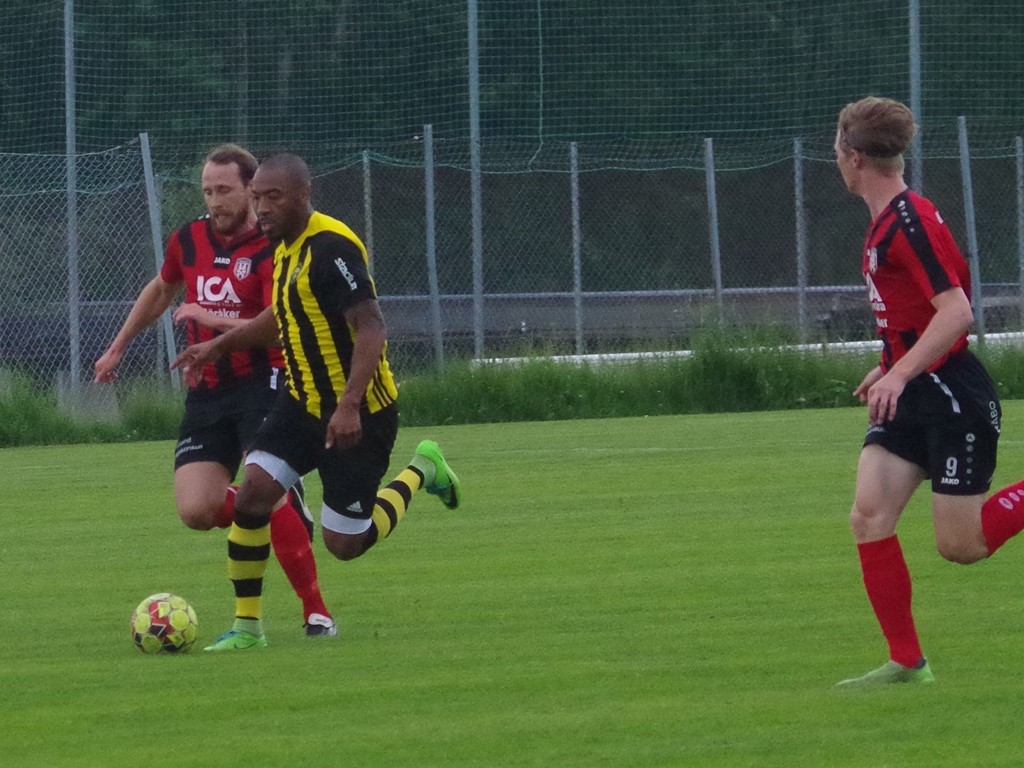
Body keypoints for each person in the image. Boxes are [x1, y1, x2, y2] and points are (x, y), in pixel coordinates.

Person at [171, 152, 462, 651]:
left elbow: (371, 326)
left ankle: (423, 470)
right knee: (255, 495)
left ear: (304, 196)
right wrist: (219, 345)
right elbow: (279, 315)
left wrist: (349, 404)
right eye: (257, 198)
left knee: (345, 544)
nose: (261, 208)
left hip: (358, 411)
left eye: (273, 198)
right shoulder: (281, 245)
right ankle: (247, 628)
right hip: (300, 402)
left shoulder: (332, 248)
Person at [94, 144, 337, 637]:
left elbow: (277, 324)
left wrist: (211, 320)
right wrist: (118, 346)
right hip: (206, 391)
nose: (214, 200)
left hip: (264, 383)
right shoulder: (187, 240)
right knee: (197, 511)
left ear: (251, 190)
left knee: (260, 493)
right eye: (207, 191)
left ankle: (317, 612)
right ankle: (285, 504)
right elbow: (162, 289)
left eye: (223, 190)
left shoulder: (274, 247)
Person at [833, 96, 1024, 687]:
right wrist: (886, 364)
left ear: (856, 157)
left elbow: (957, 313)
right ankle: (907, 662)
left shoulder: (909, 223)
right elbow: (915, 315)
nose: (835, 160)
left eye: (838, 150)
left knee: (960, 547)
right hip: (913, 388)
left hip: (952, 395)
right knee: (868, 516)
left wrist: (901, 371)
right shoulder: (887, 219)